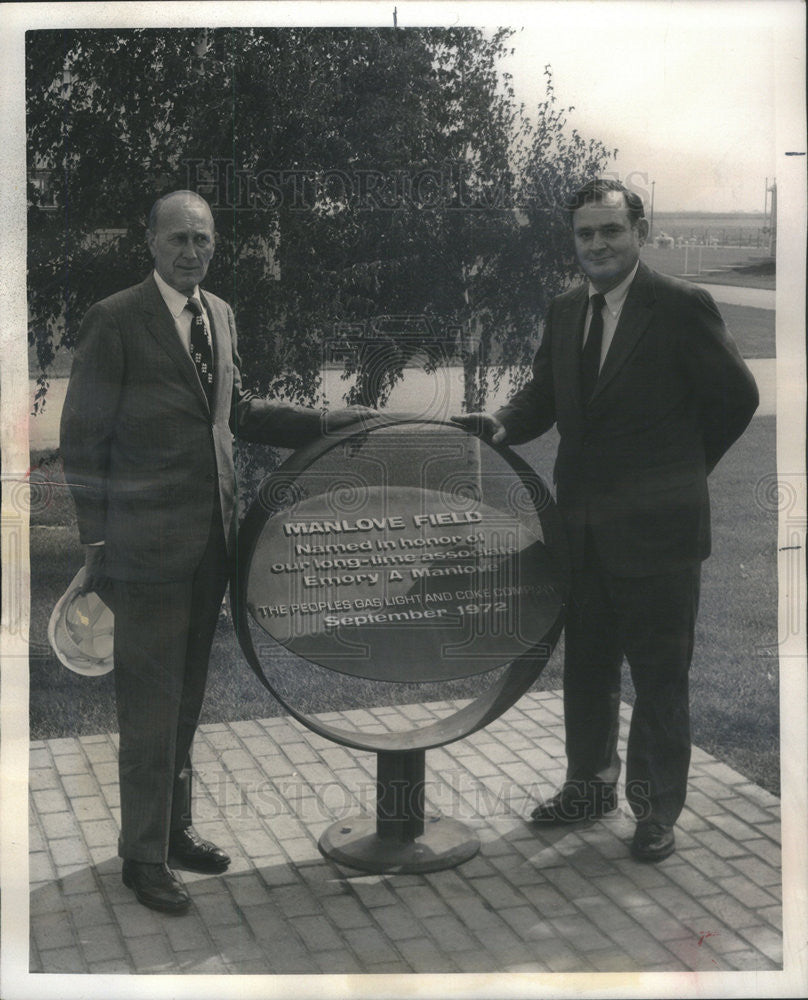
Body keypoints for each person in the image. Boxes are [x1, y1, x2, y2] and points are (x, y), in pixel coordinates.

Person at [61, 190, 371, 912]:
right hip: (142, 555)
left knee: (188, 702)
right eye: (177, 239)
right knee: (148, 709)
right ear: (149, 242)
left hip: (210, 551)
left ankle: (175, 832)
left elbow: (238, 411)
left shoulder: (220, 315)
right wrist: (98, 544)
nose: (191, 251)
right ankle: (142, 857)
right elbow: (83, 441)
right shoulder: (114, 321)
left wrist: (325, 419)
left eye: (202, 238)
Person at [452, 179, 759, 862]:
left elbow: (737, 397)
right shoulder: (566, 310)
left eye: (610, 231)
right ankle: (589, 787)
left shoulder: (681, 307)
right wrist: (503, 422)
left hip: (661, 537)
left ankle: (655, 812)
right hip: (582, 533)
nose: (597, 244)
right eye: (585, 234)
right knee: (588, 671)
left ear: (639, 232)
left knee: (658, 677)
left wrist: (682, 473)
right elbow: (546, 392)